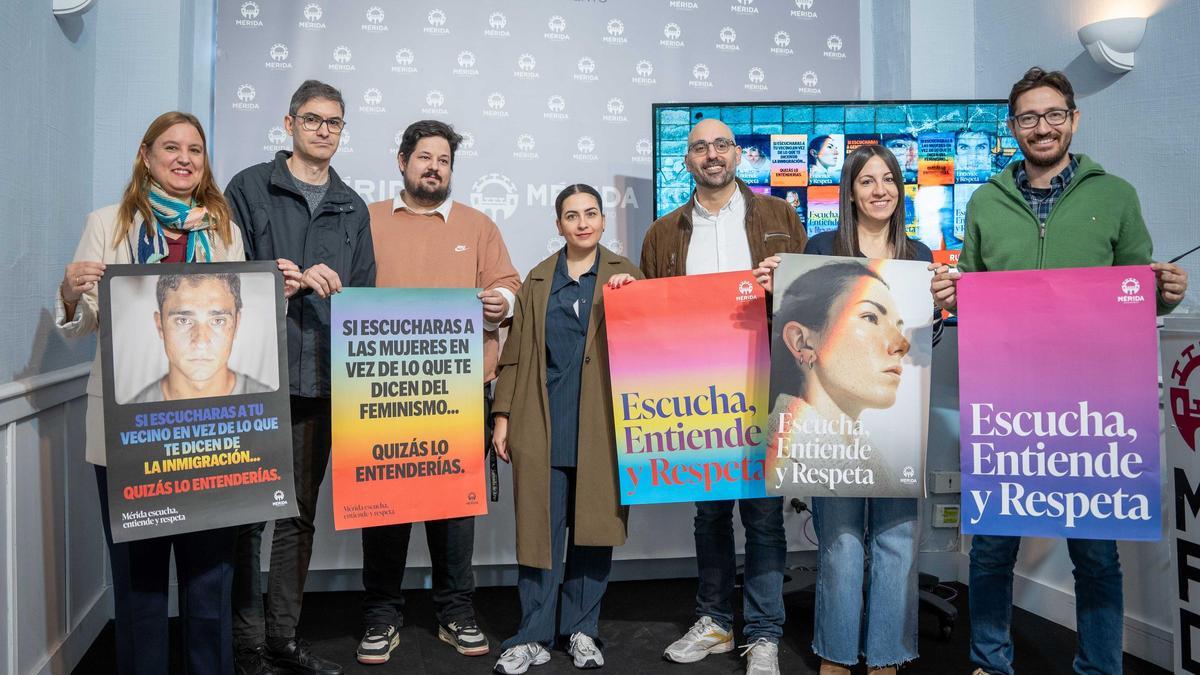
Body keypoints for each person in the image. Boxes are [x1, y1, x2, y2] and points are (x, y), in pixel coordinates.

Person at [930, 67, 1189, 675]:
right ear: (1013, 127)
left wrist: (1168, 292)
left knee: (1096, 556)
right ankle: (991, 664)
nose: (1041, 127)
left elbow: (1137, 292)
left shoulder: (1115, 195)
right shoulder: (985, 200)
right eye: (1027, 117)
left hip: (1092, 409)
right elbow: (971, 288)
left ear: (1074, 118)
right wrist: (951, 291)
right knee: (992, 549)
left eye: (1053, 115)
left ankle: (1099, 667)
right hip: (1007, 403)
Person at [56, 111, 300, 675]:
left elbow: (242, 324)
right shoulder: (107, 224)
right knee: (139, 582)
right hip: (131, 435)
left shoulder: (224, 230)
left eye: (195, 148)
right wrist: (70, 294)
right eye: (171, 147)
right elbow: (88, 321)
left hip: (212, 434)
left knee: (210, 581)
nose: (185, 158)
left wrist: (276, 294)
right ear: (146, 155)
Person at [756, 144, 937, 674]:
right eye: (867, 181)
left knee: (896, 540)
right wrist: (775, 288)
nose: (879, 190)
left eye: (888, 179)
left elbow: (924, 343)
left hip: (901, 425)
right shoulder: (819, 248)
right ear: (850, 192)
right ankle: (835, 653)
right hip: (833, 435)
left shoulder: (921, 255)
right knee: (838, 540)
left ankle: (886, 655)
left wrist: (943, 309)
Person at [642, 117, 807, 675]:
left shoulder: (781, 218)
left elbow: (808, 303)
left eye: (721, 145)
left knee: (763, 516)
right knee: (709, 514)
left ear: (738, 155)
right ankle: (714, 621)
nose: (711, 155)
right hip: (696, 395)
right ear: (686, 161)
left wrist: (786, 280)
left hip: (763, 382)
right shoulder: (664, 232)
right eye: (699, 148)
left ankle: (763, 633)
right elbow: (651, 316)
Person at [225, 79, 376, 675]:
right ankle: (245, 644)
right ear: (289, 124)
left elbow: (365, 297)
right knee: (245, 516)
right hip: (255, 378)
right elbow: (219, 276)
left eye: (334, 122)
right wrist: (272, 279)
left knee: (297, 514)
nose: (323, 130)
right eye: (312, 119)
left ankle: (283, 640)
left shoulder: (352, 206)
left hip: (322, 382)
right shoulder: (248, 188)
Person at [357, 119, 520, 665]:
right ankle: (381, 615)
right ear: (401, 160)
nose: (434, 167)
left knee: (454, 511)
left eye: (444, 160)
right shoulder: (367, 219)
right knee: (384, 509)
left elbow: (509, 286)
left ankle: (456, 610)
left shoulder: (477, 225)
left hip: (459, 392)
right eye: (424, 157)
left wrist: (501, 301)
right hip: (381, 393)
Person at [489, 184, 640, 674]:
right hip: (542, 424)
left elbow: (651, 347)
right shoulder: (537, 280)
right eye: (571, 215)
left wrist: (630, 305)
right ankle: (532, 635)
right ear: (558, 225)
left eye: (591, 213)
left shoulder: (625, 275)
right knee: (539, 534)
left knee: (593, 532)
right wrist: (503, 416)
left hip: (602, 426)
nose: (582, 223)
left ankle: (581, 631)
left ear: (602, 221)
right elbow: (514, 356)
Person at [130, 272, 272, 403]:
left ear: (236, 324)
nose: (201, 342)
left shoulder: (271, 406)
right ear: (160, 325)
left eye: (218, 321)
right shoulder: (129, 418)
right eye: (183, 321)